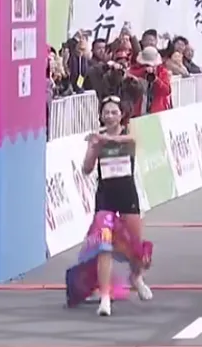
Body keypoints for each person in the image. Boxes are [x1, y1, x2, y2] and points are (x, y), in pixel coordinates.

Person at [76, 95, 153, 315]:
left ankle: (136, 278)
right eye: (106, 112)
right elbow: (86, 169)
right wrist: (93, 148)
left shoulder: (128, 134)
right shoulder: (97, 139)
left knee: (136, 247)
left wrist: (104, 139)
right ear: (101, 115)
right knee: (104, 247)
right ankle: (105, 297)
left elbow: (130, 141)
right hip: (105, 197)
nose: (110, 116)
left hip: (127, 194)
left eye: (114, 112)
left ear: (121, 115)